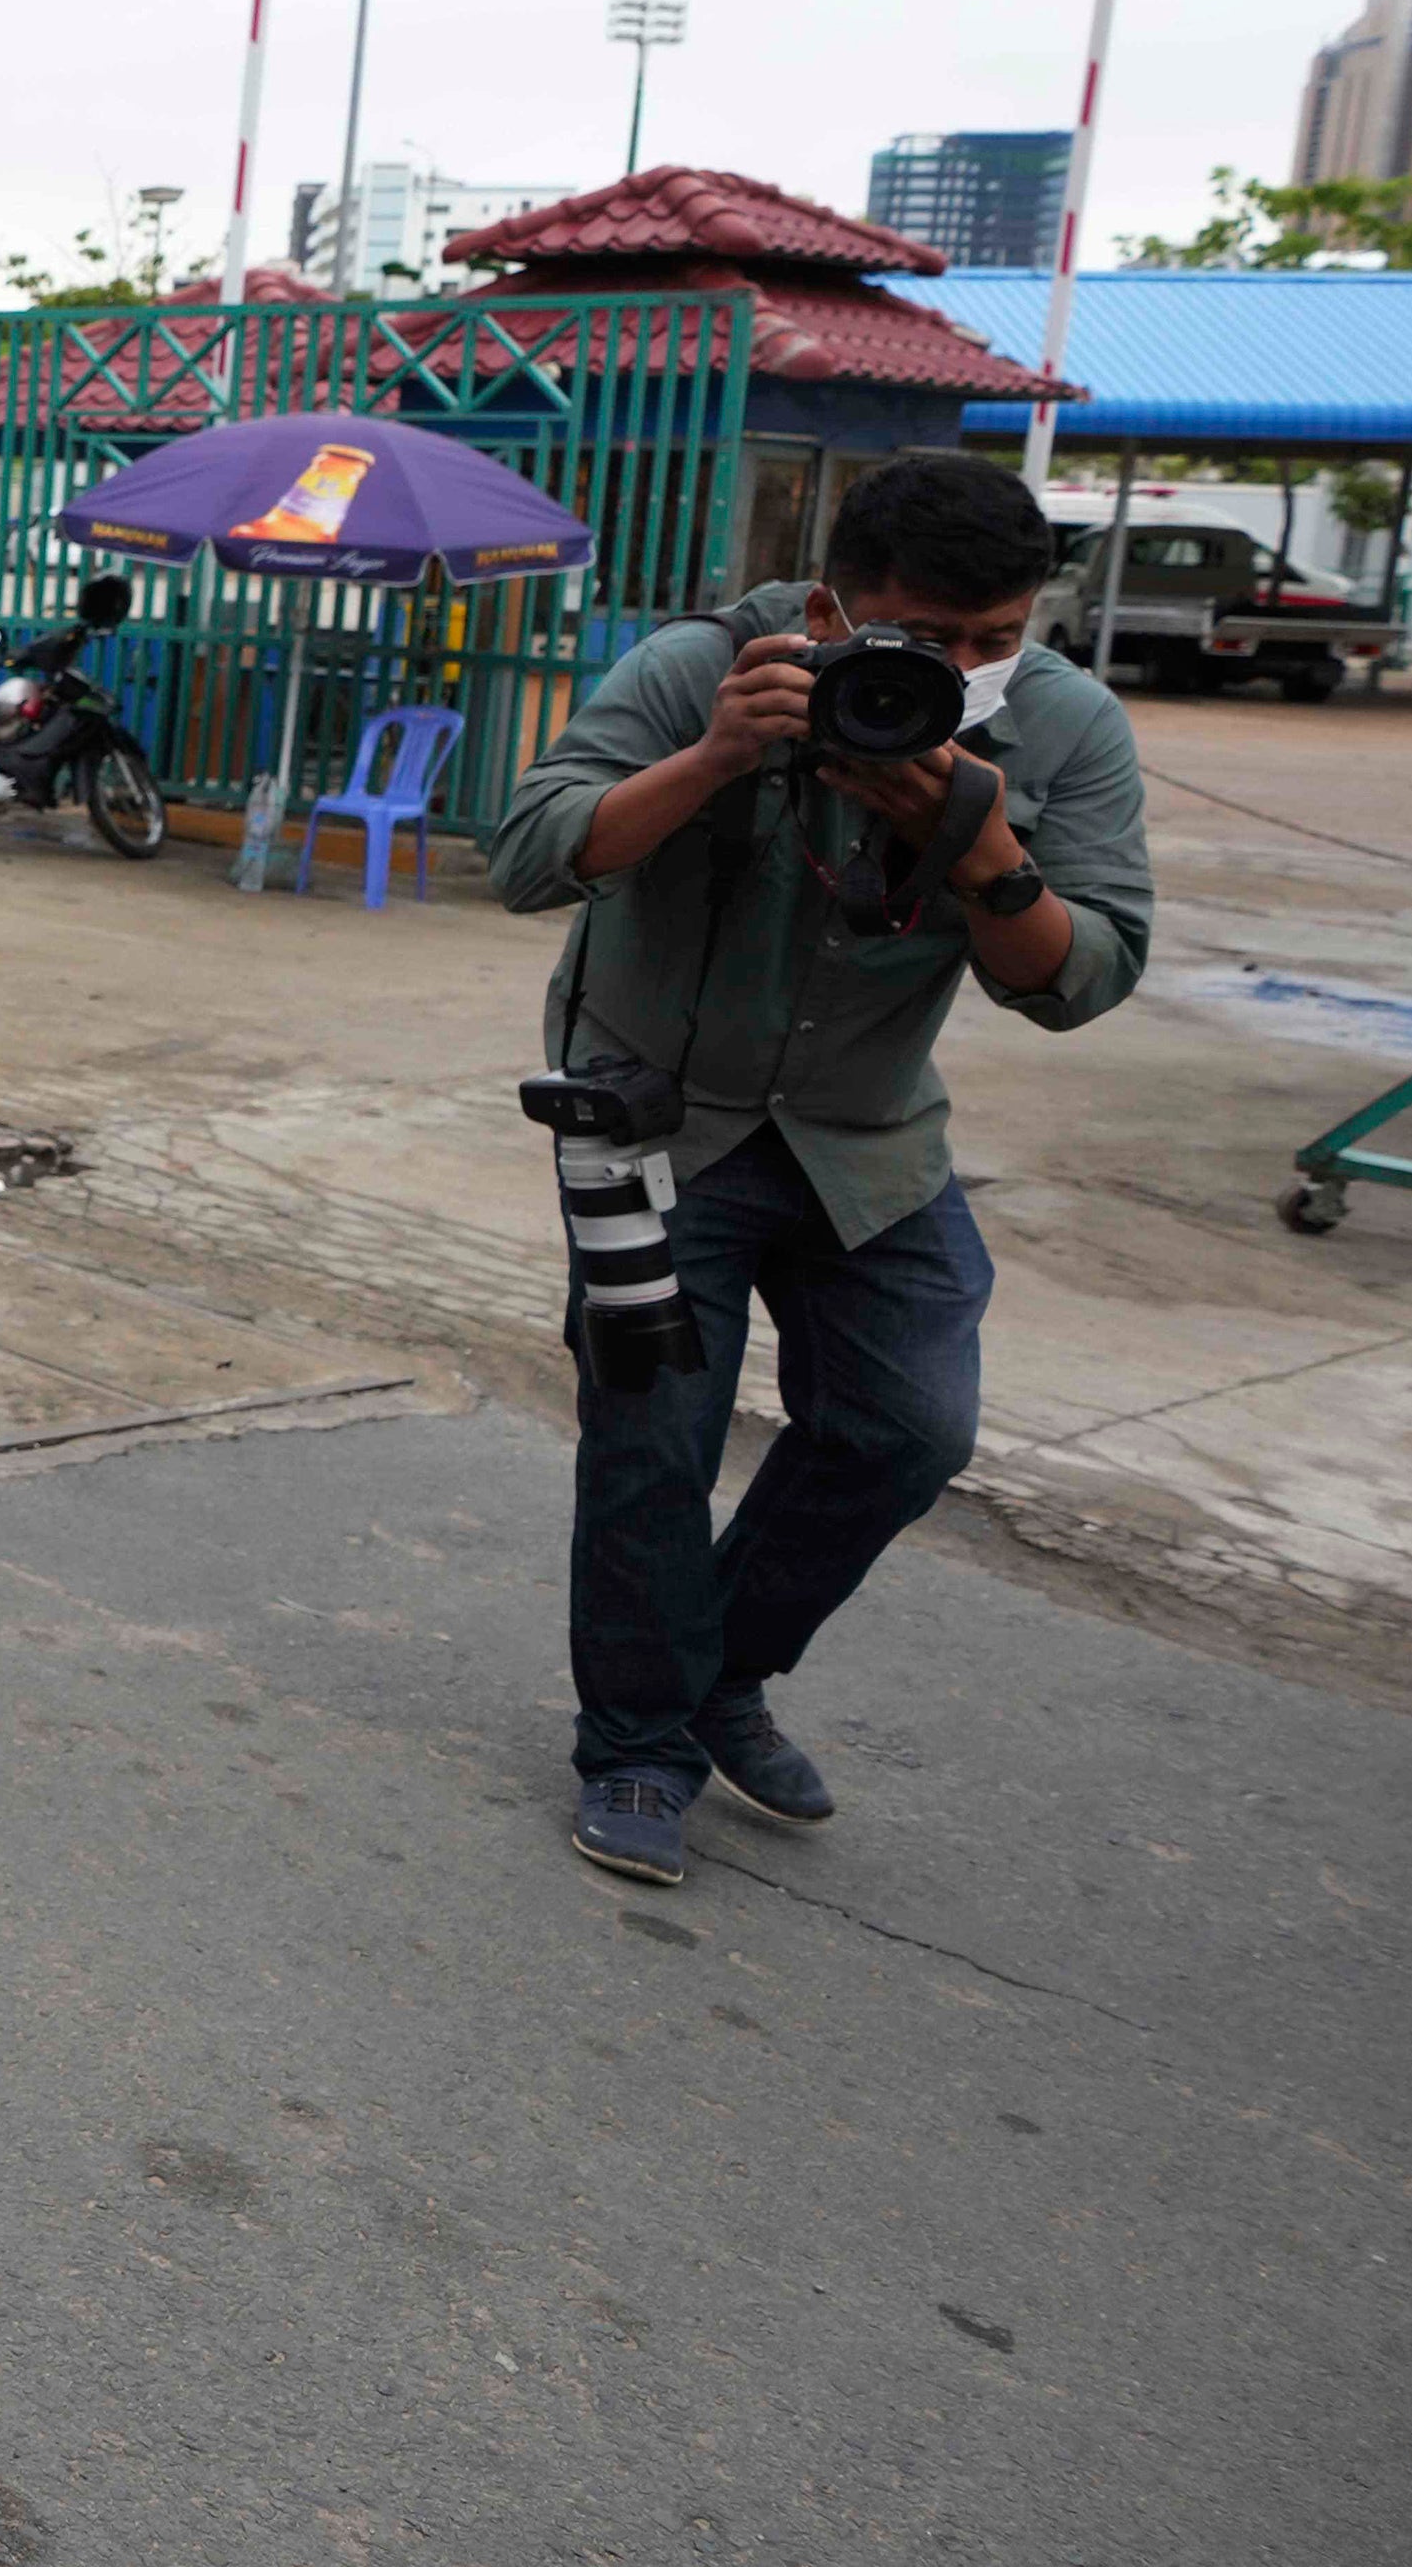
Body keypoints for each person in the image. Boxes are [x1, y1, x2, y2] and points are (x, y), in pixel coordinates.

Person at [486, 452, 1153, 1888]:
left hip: (868, 1134)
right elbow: (529, 854)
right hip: (653, 1121)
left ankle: (721, 1669)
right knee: (654, 1435)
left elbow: (1086, 978)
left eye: (996, 641)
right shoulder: (701, 669)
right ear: (835, 606)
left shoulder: (1061, 727)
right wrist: (721, 756)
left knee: (909, 1427)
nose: (965, 670)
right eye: (923, 642)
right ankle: (643, 1751)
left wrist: (975, 846)